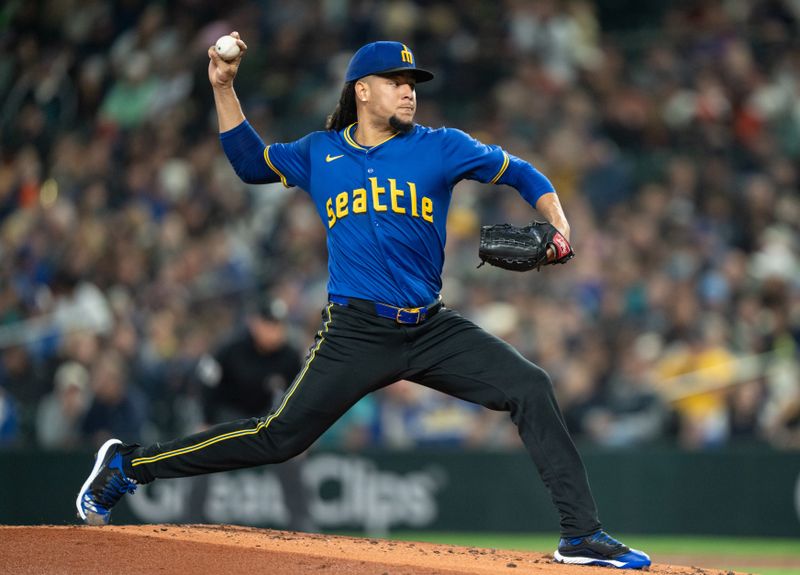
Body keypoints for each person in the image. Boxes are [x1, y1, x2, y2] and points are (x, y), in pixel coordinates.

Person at [76, 36, 650, 569]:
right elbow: (250, 164)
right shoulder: (320, 151)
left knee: (530, 385)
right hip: (355, 332)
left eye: (413, 81)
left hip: (430, 328)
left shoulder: (441, 147)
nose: (408, 89)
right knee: (278, 438)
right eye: (395, 79)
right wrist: (223, 87)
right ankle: (128, 464)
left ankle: (580, 535)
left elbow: (522, 173)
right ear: (362, 90)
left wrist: (560, 227)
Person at [193, 298, 316, 531]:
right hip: (227, 414)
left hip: (262, 417)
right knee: (201, 450)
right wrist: (205, 420)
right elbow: (206, 382)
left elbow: (301, 395)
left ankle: (301, 520)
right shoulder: (230, 348)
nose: (275, 329)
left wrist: (300, 433)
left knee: (291, 456)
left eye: (278, 324)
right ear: (254, 323)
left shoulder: (289, 356)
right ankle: (190, 518)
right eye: (269, 323)